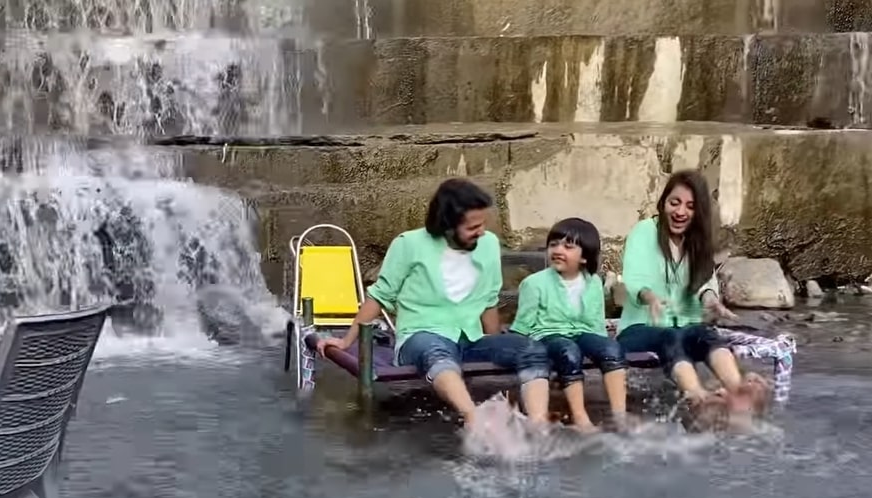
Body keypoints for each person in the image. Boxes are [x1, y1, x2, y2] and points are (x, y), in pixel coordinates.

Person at [316, 178, 551, 431]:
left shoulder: (489, 245)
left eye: (483, 224)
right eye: (473, 227)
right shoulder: (409, 244)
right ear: (448, 225)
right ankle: (473, 418)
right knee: (436, 352)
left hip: (470, 338)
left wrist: (496, 346)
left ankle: (538, 426)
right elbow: (379, 296)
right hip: (420, 336)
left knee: (532, 350)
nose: (481, 231)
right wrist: (345, 341)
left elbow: (489, 302)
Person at [615, 169, 765, 410]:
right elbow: (635, 276)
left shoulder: (697, 241)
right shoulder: (644, 232)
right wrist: (649, 296)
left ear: (698, 212)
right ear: (663, 203)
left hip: (686, 325)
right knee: (670, 336)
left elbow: (705, 279)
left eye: (690, 206)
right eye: (674, 203)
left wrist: (711, 299)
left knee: (705, 334)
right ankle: (697, 397)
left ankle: (738, 391)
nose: (680, 211)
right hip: (639, 329)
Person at [511, 218, 626, 430]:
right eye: (553, 244)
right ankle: (581, 417)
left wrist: (600, 347)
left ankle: (620, 416)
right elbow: (522, 325)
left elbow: (596, 323)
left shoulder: (592, 283)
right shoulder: (534, 283)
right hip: (549, 335)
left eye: (568, 246)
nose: (558, 250)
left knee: (611, 348)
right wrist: (524, 350)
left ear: (585, 257)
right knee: (568, 350)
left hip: (583, 332)